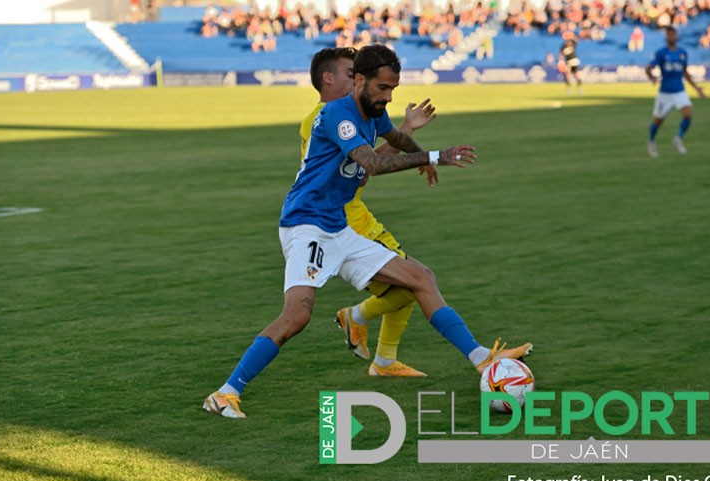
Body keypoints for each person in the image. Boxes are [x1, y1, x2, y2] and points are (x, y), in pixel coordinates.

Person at [203, 45, 533, 418]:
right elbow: (372, 164)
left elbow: (394, 136)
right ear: (359, 80)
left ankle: (479, 360)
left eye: (392, 89)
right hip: (306, 225)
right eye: (382, 88)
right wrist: (435, 156)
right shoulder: (336, 115)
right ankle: (225, 393)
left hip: (339, 226)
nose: (388, 96)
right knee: (297, 316)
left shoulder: (372, 112)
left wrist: (421, 152)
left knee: (421, 278)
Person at [302, 47, 438, 378]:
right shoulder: (323, 119)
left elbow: (369, 161)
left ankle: (384, 359)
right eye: (351, 75)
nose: (356, 82)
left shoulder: (352, 114)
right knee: (414, 282)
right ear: (328, 78)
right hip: (342, 218)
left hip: (355, 212)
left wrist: (406, 131)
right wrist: (427, 155)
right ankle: (359, 322)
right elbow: (365, 168)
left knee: (409, 284)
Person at [645, 26, 706, 158]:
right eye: (668, 34)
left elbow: (685, 73)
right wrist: (652, 77)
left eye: (672, 34)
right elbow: (648, 68)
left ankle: (678, 138)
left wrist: (697, 88)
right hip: (665, 92)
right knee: (658, 121)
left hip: (679, 90)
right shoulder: (661, 53)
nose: (671, 37)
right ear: (666, 38)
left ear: (677, 37)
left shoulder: (682, 53)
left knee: (688, 114)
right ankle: (651, 141)